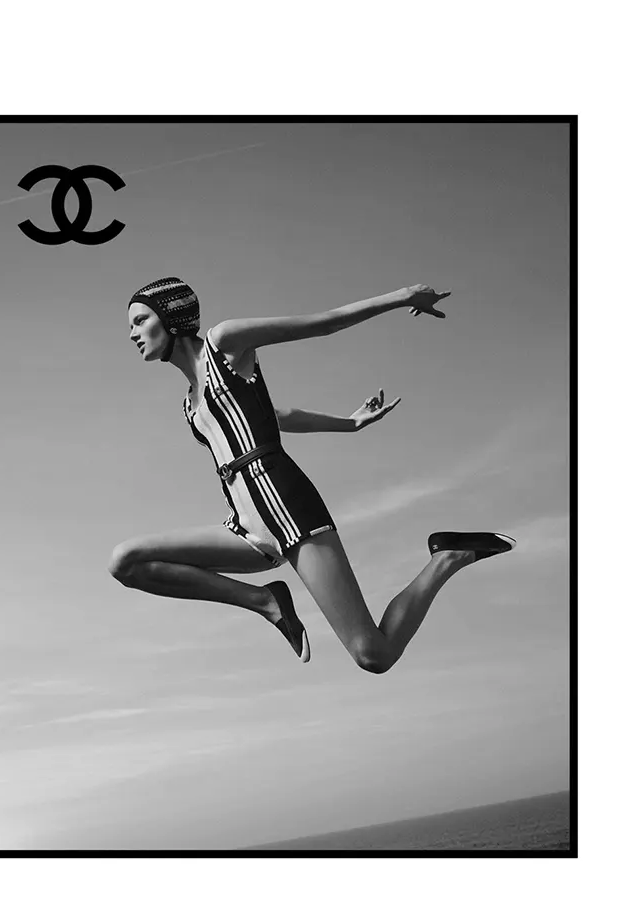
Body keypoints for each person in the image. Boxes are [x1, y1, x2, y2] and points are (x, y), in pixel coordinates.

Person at [109, 276, 515, 673]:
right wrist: (348, 423)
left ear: (172, 317)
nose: (133, 333)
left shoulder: (223, 343)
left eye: (141, 320)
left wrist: (404, 296)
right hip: (246, 524)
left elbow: (325, 322)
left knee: (372, 654)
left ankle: (446, 557)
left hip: (286, 503)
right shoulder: (189, 404)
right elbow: (277, 415)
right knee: (126, 562)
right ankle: (264, 601)